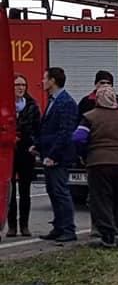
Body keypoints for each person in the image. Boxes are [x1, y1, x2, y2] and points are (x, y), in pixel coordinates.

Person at [72, 87, 118, 249]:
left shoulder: (90, 117)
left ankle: (108, 236)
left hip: (99, 163)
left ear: (97, 100)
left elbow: (78, 138)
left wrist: (84, 154)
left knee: (102, 199)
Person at [35, 67, 78, 242]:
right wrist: (38, 146)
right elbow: (48, 129)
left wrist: (53, 155)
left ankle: (68, 229)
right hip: (48, 154)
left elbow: (65, 133)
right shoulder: (53, 101)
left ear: (53, 81)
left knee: (61, 192)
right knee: (52, 191)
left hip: (58, 157)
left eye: (45, 78)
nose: (42, 81)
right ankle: (59, 227)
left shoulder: (66, 103)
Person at [7, 74, 41, 238]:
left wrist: (34, 144)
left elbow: (37, 128)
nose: (20, 88)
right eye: (17, 85)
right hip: (9, 151)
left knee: (25, 189)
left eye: (23, 85)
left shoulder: (32, 105)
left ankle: (24, 225)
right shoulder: (5, 105)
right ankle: (12, 225)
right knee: (10, 189)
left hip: (26, 150)